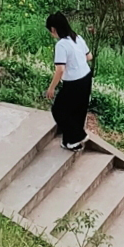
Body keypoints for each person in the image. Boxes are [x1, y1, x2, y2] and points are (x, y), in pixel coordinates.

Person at [47, 11, 95, 150]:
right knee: (78, 109)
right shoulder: (77, 37)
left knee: (58, 110)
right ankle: (70, 142)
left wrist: (51, 88)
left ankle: (77, 135)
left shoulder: (61, 45)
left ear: (53, 29)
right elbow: (89, 56)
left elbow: (60, 69)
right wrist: (76, 61)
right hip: (86, 77)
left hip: (73, 82)